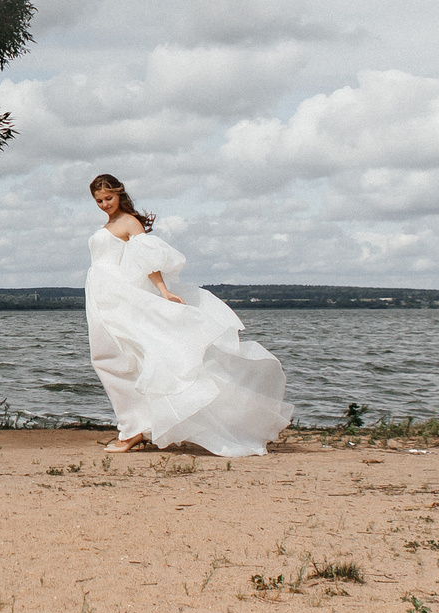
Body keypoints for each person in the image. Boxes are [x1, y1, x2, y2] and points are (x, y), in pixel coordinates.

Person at [83, 172, 289, 457]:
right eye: (99, 200)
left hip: (120, 297)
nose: (105, 204)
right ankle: (138, 426)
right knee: (110, 359)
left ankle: (133, 430)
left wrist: (164, 291)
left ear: (119, 194)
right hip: (102, 297)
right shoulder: (110, 224)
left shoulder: (129, 222)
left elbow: (148, 261)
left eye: (109, 198)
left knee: (123, 360)